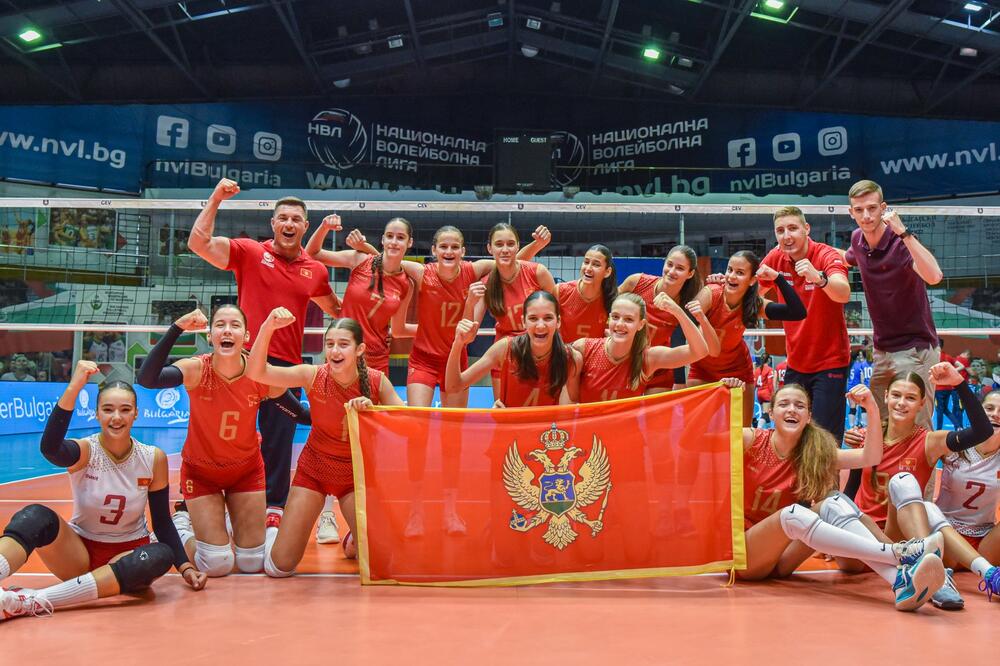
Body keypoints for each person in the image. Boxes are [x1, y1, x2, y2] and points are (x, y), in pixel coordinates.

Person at [0, 361, 205, 621]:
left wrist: (185, 567)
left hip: (128, 557)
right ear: (97, 414)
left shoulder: (153, 458)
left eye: (125, 410)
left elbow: (163, 522)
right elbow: (50, 448)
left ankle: (33, 601)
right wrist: (75, 386)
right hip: (78, 553)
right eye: (108, 409)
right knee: (35, 516)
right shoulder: (86, 451)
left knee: (161, 555)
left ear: (136, 414)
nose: (116, 417)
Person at [187, 179, 341, 523]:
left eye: (296, 219)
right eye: (283, 218)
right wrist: (216, 197)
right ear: (273, 223)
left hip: (284, 368)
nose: (289, 223)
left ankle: (273, 507)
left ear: (305, 226)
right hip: (242, 363)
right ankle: (213, 496)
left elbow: (338, 309)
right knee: (227, 435)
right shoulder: (250, 252)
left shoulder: (315, 270)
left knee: (278, 440)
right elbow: (198, 243)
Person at [730, 378, 948, 611]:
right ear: (771, 413)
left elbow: (871, 457)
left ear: (808, 416)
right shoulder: (750, 439)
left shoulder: (814, 452)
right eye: (784, 404)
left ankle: (899, 582)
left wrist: (871, 407)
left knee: (833, 501)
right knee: (792, 514)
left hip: (782, 559)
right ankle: (898, 553)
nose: (792, 409)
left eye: (800, 406)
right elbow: (707, 438)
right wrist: (725, 399)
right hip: (745, 558)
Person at [137, 306, 311, 577]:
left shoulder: (259, 376)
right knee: (217, 564)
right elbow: (147, 379)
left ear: (247, 336)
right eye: (220, 325)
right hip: (201, 473)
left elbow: (299, 413)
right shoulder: (196, 369)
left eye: (235, 325)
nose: (227, 330)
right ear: (210, 336)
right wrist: (177, 327)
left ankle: (231, 519)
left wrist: (341, 414)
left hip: (246, 472)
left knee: (252, 563)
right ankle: (180, 526)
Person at [246, 308, 404, 576]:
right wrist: (267, 327)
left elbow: (406, 424)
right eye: (329, 344)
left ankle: (353, 540)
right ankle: (275, 532)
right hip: (314, 471)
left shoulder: (377, 382)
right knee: (279, 567)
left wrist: (375, 413)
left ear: (359, 349)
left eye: (343, 344)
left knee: (382, 565)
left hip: (354, 475)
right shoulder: (313, 375)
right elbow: (256, 372)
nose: (334, 351)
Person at [843, 363, 994, 609]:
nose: (902, 403)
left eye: (911, 398)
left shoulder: (929, 442)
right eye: (896, 395)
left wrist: (958, 383)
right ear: (886, 397)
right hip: (864, 534)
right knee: (838, 504)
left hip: (900, 537)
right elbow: (852, 487)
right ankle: (931, 569)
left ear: (922, 403)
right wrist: (839, 521)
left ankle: (936, 576)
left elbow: (982, 431)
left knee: (907, 486)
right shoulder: (868, 435)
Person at [845, 180, 943, 429]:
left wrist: (904, 232)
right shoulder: (857, 239)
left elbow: (934, 276)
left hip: (915, 348)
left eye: (872, 208)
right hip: (882, 351)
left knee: (916, 430)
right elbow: (844, 258)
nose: (866, 216)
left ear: (883, 208)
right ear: (851, 212)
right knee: (882, 427)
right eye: (859, 210)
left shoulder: (901, 242)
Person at [760, 207, 851, 456]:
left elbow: (843, 292)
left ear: (806, 229)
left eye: (792, 228)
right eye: (780, 231)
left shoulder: (825, 254)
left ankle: (827, 483)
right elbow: (750, 297)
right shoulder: (776, 257)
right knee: (790, 437)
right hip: (796, 363)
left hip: (830, 362)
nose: (786, 236)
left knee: (824, 440)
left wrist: (818, 278)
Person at [694, 251, 806, 425]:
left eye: (740, 272)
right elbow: (686, 321)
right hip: (702, 368)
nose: (732, 276)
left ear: (752, 280)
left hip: (737, 368)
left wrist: (777, 278)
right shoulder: (712, 293)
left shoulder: (754, 304)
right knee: (695, 427)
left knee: (742, 431)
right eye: (730, 270)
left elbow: (797, 312)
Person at [305, 215, 417, 374]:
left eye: (400, 237)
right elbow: (311, 255)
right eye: (390, 236)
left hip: (376, 359)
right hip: (342, 351)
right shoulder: (359, 260)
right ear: (383, 240)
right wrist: (324, 227)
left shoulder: (407, 284)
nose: (394, 241)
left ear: (409, 242)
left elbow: (399, 330)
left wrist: (436, 330)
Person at [447, 291, 581, 408]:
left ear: (558, 321)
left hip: (549, 429)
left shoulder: (571, 359)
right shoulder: (505, 349)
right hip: (510, 429)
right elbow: (454, 386)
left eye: (548, 318)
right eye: (533, 318)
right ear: (523, 322)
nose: (540, 325)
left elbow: (566, 414)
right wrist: (458, 343)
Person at [570, 293, 709, 404]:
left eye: (629, 319)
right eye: (615, 317)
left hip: (626, 430)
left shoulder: (647, 358)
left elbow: (700, 351)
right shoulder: (584, 348)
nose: (620, 324)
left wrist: (678, 312)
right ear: (609, 319)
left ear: (640, 325)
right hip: (589, 429)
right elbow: (570, 400)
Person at [471, 223, 557, 399]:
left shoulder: (537, 273)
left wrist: (538, 244)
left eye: (510, 244)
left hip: (539, 349)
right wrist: (469, 302)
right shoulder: (486, 284)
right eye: (499, 244)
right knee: (503, 409)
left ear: (517, 246)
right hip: (505, 353)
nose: (505, 249)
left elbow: (558, 313)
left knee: (545, 408)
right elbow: (470, 331)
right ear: (489, 248)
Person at [619, 245, 717, 393]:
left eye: (680, 268)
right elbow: (609, 307)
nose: (671, 271)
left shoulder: (690, 302)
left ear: (690, 274)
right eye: (669, 264)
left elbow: (697, 346)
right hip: (627, 364)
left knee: (658, 408)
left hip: (661, 369)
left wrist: (679, 380)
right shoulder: (636, 282)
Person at [553, 245, 617, 343]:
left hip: (595, 352)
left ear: (607, 272)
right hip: (563, 351)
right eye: (586, 262)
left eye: (596, 265)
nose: (588, 268)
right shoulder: (560, 291)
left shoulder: (612, 299)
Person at [847, 351, 873, 428]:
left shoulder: (850, 365)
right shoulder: (860, 365)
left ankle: (851, 426)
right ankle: (864, 425)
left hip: (849, 387)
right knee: (863, 407)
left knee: (852, 407)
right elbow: (862, 377)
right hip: (858, 388)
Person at [754, 355, 774, 428]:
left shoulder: (757, 370)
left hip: (759, 393)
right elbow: (770, 383)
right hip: (766, 393)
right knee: (766, 413)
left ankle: (767, 429)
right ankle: (759, 428)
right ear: (768, 360)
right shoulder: (769, 369)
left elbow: (755, 384)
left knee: (766, 413)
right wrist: (773, 394)